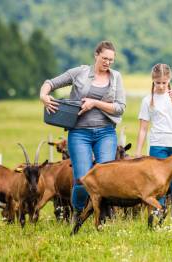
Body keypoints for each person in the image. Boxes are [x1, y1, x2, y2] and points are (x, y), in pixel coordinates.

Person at [39, 41, 126, 216]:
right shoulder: (79, 73)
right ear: (96, 55)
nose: (107, 62)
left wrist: (95, 103)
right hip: (79, 133)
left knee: (105, 176)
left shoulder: (116, 77)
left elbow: (120, 107)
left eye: (111, 60)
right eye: (104, 58)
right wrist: (43, 95)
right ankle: (78, 212)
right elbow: (50, 83)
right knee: (81, 178)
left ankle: (103, 215)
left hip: (106, 132)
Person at [135, 63, 172, 220]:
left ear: (169, 79)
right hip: (157, 146)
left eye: (164, 82)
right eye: (157, 82)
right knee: (158, 185)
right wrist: (138, 152)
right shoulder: (147, 100)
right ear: (153, 80)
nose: (161, 86)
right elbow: (143, 129)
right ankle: (158, 213)